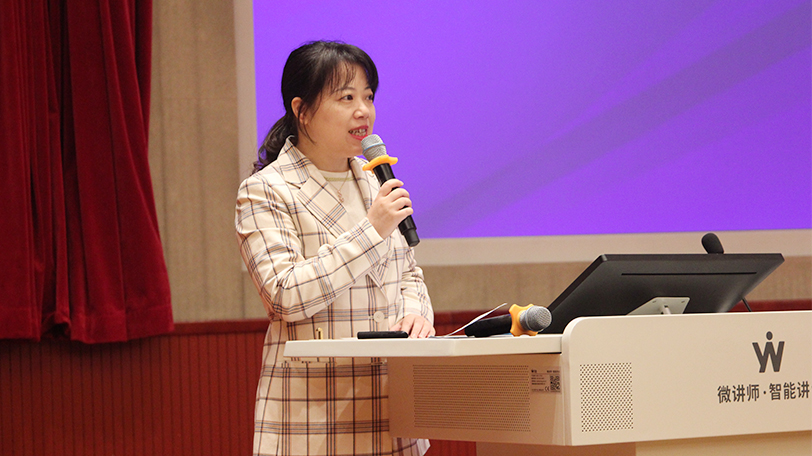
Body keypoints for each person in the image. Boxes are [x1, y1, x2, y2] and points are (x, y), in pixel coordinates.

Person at [235, 41, 435, 456]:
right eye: (346, 98)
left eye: (368, 97)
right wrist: (371, 230)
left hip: (392, 407)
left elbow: (408, 272)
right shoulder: (266, 190)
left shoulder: (375, 180)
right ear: (302, 110)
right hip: (315, 416)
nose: (363, 111)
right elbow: (285, 295)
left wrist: (417, 312)